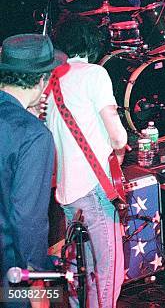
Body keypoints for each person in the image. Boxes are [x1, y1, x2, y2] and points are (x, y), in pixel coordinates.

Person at [45, 15, 128, 308]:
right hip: (94, 189)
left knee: (81, 274)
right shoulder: (95, 74)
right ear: (92, 43)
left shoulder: (52, 80)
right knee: (107, 275)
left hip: (67, 193)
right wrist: (118, 152)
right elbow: (118, 137)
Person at [0, 34, 66, 307]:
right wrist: (38, 279)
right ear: (43, 80)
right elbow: (27, 219)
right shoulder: (34, 136)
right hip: (12, 273)